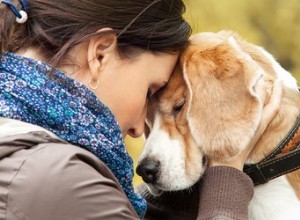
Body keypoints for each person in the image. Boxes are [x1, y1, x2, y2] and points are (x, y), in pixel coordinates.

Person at [0, 0, 282, 219]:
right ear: (99, 54)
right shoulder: (56, 178)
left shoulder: (20, 143)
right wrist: (226, 177)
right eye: (149, 91)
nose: (138, 130)